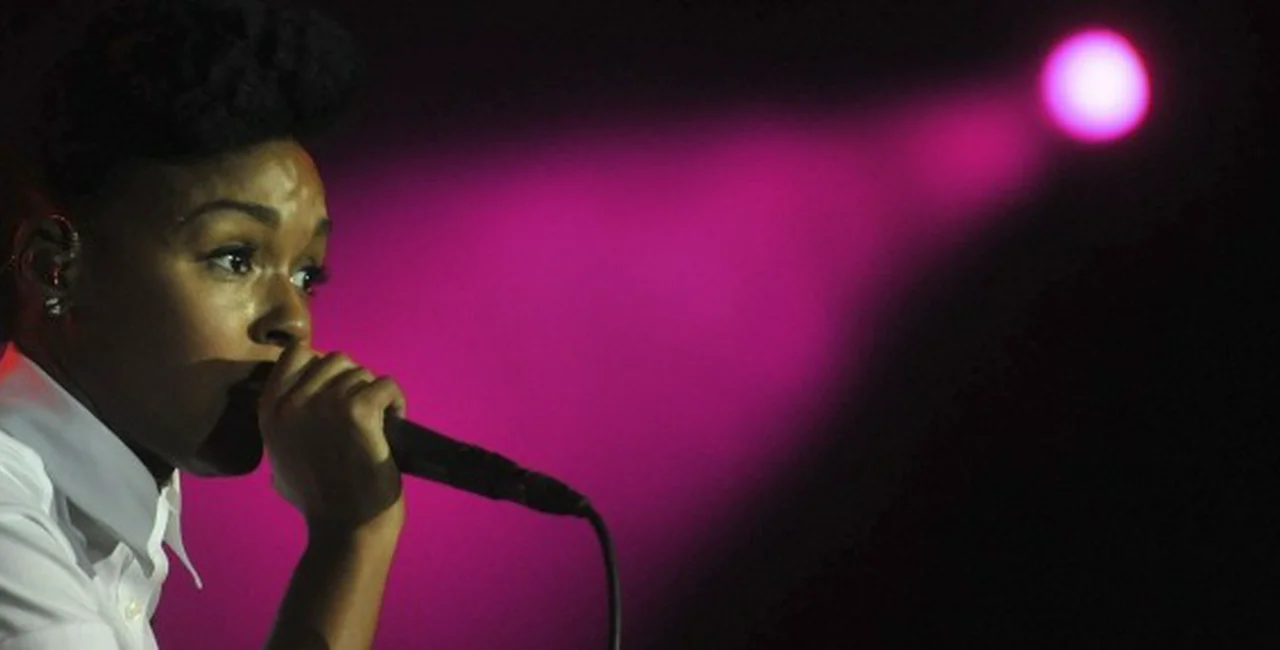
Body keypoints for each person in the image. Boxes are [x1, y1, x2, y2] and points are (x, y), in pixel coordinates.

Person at [0, 1, 410, 648]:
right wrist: (351, 538)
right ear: (55, 268)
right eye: (235, 257)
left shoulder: (115, 512)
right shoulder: (9, 518)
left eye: (307, 275)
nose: (294, 322)